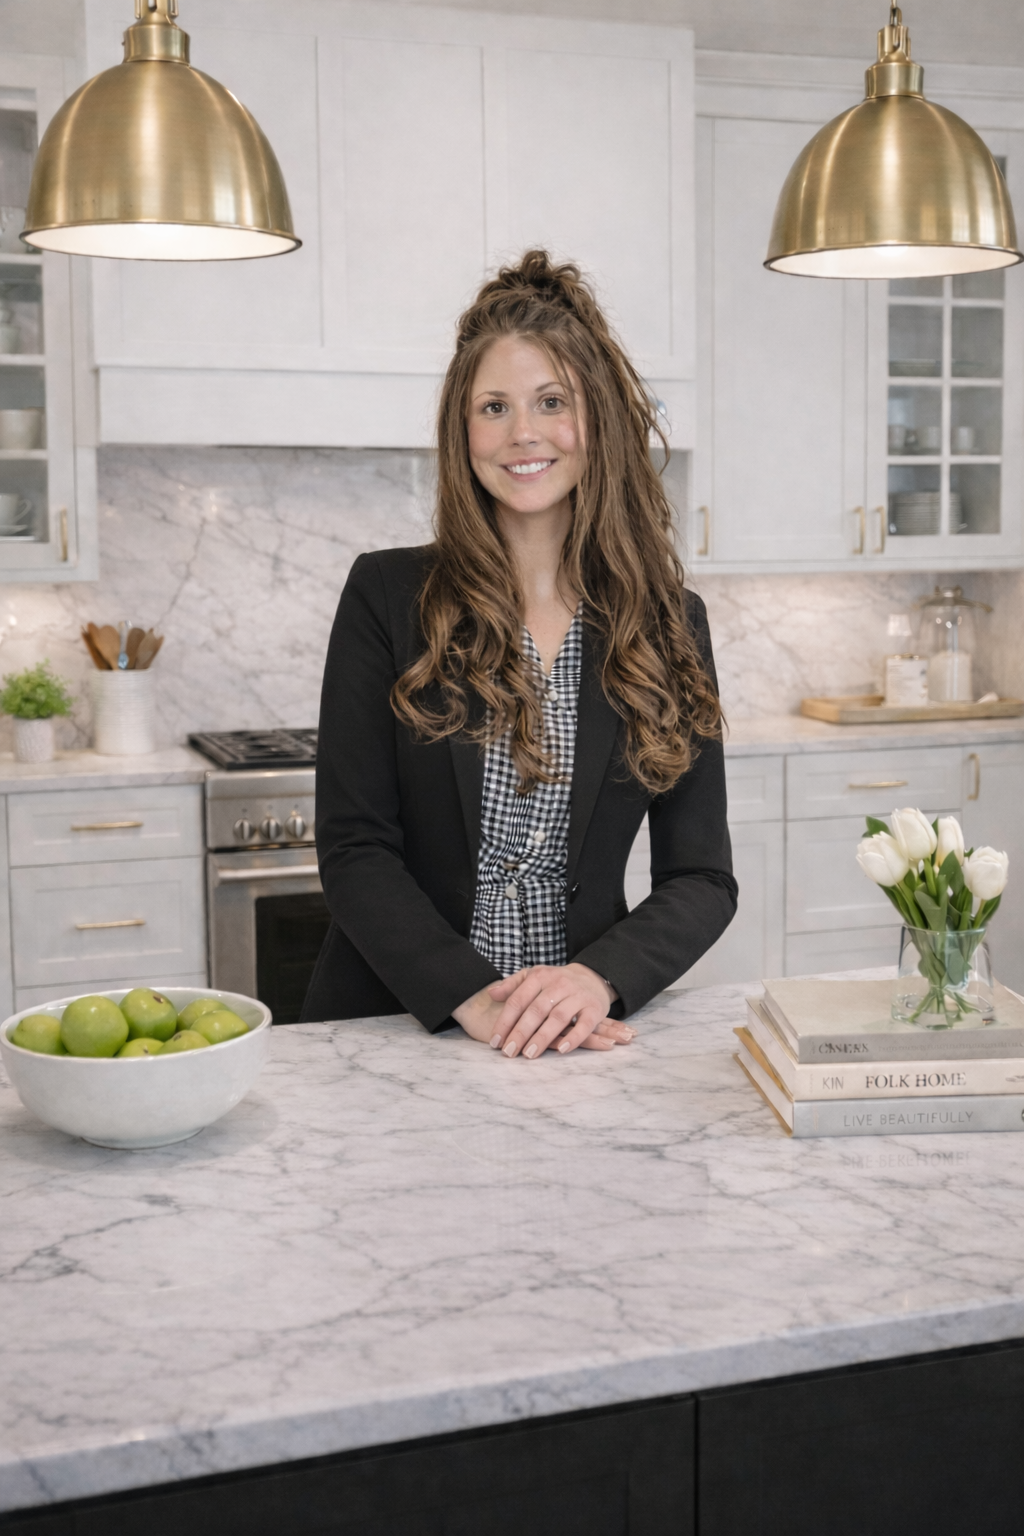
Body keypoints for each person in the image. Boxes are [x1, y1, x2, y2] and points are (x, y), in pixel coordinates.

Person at [302, 250, 737, 1059]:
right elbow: (355, 847)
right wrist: (468, 997)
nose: (523, 433)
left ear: (596, 422)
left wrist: (597, 978)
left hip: (581, 1034)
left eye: (550, 402)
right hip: (398, 1026)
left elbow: (702, 879)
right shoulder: (389, 596)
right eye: (493, 406)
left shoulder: (670, 624)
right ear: (461, 430)